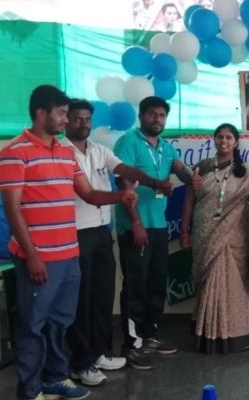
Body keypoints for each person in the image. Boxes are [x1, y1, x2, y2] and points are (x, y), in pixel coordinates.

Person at [0, 85, 139, 400]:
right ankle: (30, 390)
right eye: (61, 113)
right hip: (38, 257)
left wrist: (121, 196)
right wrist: (32, 255)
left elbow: (88, 194)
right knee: (33, 324)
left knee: (60, 322)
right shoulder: (14, 153)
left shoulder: (65, 153)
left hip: (69, 255)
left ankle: (55, 378)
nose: (65, 119)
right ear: (41, 113)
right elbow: (12, 209)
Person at [61, 99, 173, 385]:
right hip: (75, 233)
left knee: (102, 296)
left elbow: (124, 170)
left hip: (101, 231)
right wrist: (122, 197)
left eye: (87, 119)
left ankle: (100, 353)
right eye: (77, 119)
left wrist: (152, 182)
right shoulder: (61, 152)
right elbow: (88, 194)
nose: (83, 124)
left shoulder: (99, 150)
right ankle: (81, 362)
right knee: (82, 300)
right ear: (66, 120)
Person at [114, 96, 195, 370]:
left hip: (159, 226)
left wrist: (199, 177)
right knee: (135, 286)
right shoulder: (128, 142)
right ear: (141, 116)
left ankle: (150, 336)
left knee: (157, 284)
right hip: (135, 227)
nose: (157, 119)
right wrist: (135, 222)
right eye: (152, 114)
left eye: (161, 115)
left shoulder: (166, 148)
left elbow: (182, 171)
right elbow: (123, 182)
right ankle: (131, 345)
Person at [179, 123, 249, 354]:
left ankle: (237, 334)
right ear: (214, 140)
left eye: (229, 137)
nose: (224, 141)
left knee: (233, 284)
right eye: (220, 137)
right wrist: (184, 231)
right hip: (205, 232)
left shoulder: (245, 171)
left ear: (236, 142)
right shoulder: (202, 167)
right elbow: (189, 199)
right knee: (208, 281)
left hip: (235, 236)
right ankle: (206, 333)